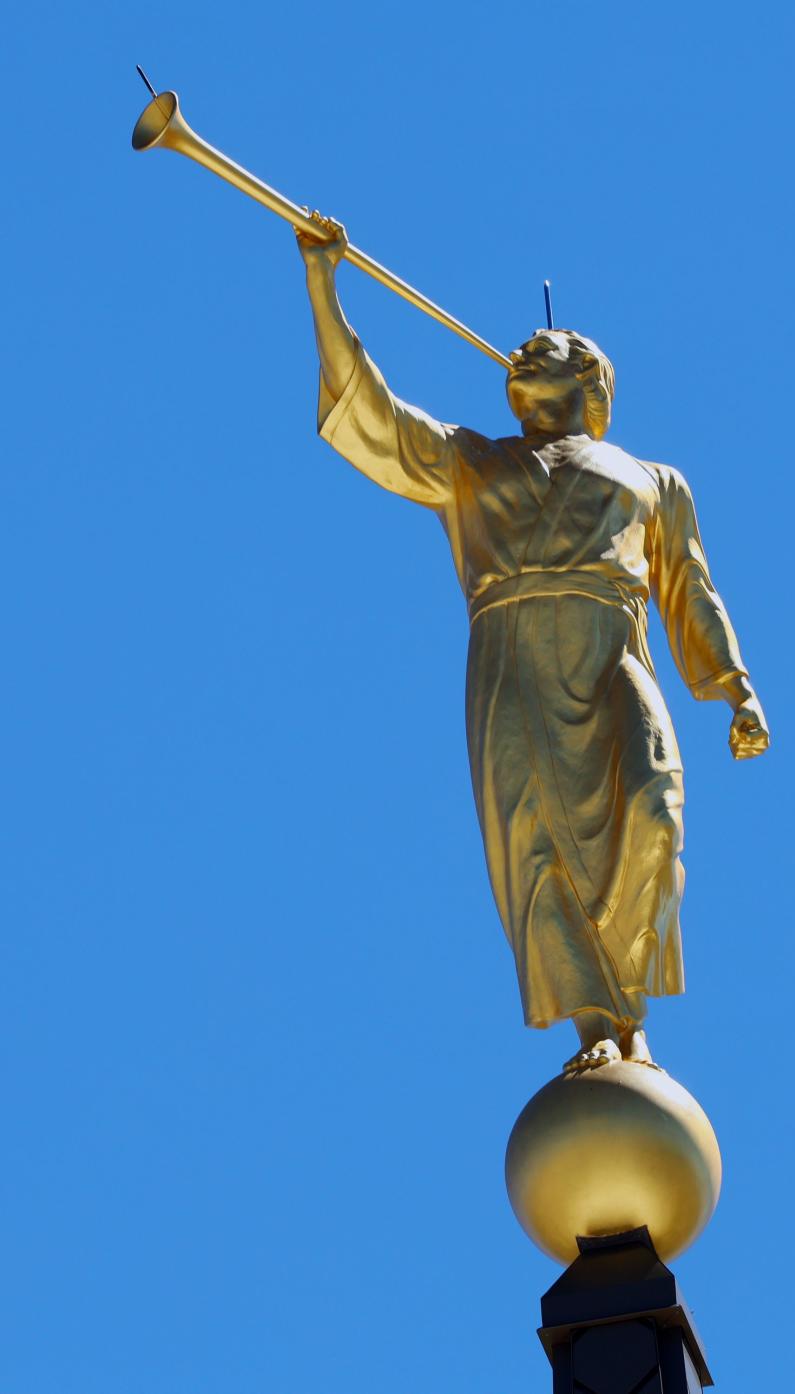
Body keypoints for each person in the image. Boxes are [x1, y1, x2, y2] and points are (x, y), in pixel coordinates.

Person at [297, 213, 770, 1071]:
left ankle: (629, 995)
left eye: (549, 344)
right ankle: (602, 1023)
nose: (526, 346)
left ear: (590, 377)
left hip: (611, 654)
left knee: (655, 804)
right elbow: (374, 420)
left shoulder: (652, 480)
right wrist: (325, 287)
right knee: (538, 842)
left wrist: (733, 686)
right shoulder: (473, 462)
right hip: (511, 658)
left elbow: (687, 586)